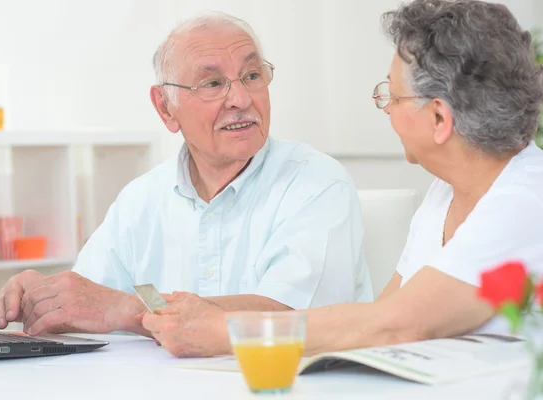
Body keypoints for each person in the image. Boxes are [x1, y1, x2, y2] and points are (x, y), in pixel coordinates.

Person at [143, 0, 543, 358]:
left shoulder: (525, 200)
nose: (386, 110)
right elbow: (376, 318)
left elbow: (397, 323)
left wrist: (224, 330)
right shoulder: (445, 194)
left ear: (439, 118)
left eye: (393, 96)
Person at [0, 12, 372, 337]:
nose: (240, 99)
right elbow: (92, 298)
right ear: (165, 108)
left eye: (252, 76)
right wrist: (47, 298)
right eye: (213, 83)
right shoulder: (141, 199)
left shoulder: (316, 182)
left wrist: (127, 309)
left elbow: (288, 315)